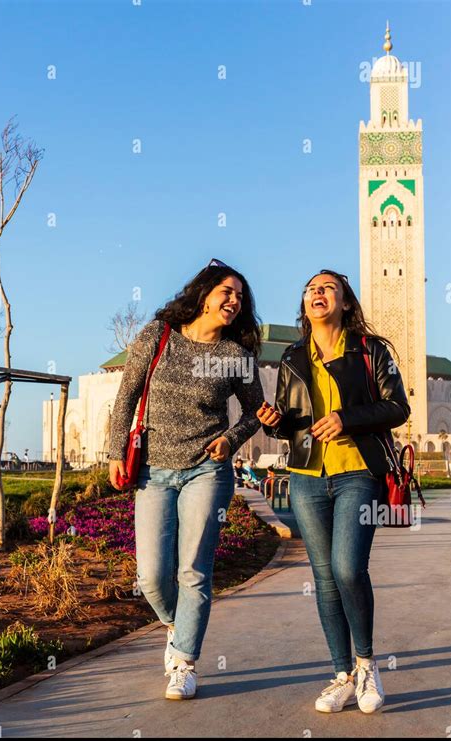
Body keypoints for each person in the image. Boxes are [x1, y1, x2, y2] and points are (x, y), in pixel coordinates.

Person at [108, 259, 264, 700]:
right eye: (226, 292)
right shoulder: (158, 336)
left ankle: (184, 663)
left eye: (240, 297)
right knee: (153, 576)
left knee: (194, 569)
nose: (233, 302)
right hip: (152, 470)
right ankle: (178, 627)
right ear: (204, 293)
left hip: (207, 471)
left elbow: (257, 412)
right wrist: (115, 450)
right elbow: (127, 396)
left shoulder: (235, 357)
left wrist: (230, 440)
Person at [257, 269, 410, 714]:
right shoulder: (292, 355)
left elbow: (397, 407)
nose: (316, 294)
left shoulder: (369, 350)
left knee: (347, 568)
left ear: (344, 302)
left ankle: (367, 664)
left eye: (327, 288)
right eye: (310, 289)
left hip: (358, 471)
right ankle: (342, 674)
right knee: (324, 577)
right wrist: (275, 421)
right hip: (306, 475)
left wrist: (347, 419)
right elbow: (292, 421)